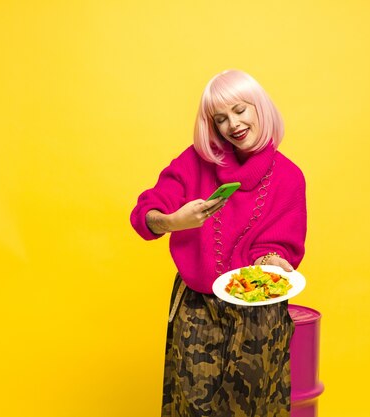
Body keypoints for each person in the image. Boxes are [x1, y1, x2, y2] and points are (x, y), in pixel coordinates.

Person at [130, 69, 307, 417]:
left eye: (241, 110)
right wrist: (172, 221)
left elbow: (278, 245)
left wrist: (271, 261)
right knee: (192, 408)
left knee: (254, 408)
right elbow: (144, 214)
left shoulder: (289, 177)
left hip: (259, 315)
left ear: (259, 108)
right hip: (197, 308)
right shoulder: (195, 162)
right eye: (221, 118)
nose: (233, 125)